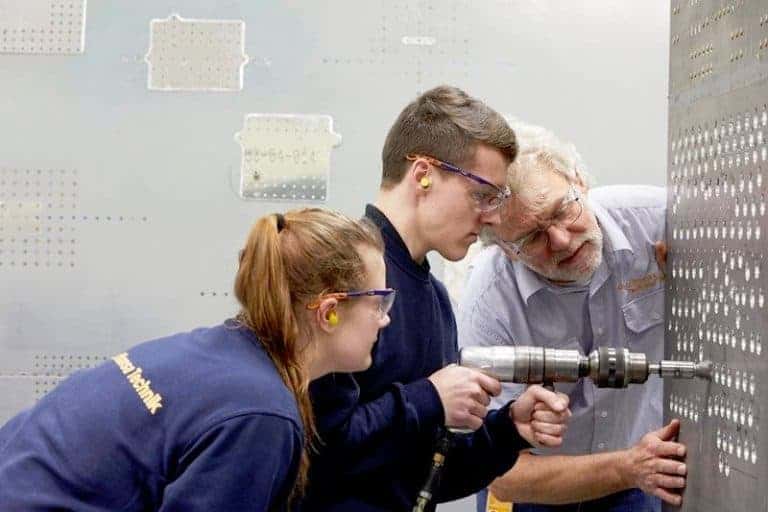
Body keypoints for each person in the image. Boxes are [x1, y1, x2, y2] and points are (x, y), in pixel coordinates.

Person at [0, 208, 393, 511]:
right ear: (328, 312)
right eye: (379, 301)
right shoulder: (262, 415)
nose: (385, 318)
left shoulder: (215, 351)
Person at [301, 86, 572, 512]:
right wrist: (428, 398)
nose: (494, 216)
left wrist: (508, 431)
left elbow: (427, 476)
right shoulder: (338, 274)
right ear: (424, 173)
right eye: (483, 195)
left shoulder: (436, 301)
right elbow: (313, 452)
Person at [456, 121, 686, 512]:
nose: (561, 240)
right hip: (538, 489)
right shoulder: (489, 302)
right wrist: (628, 467)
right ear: (505, 250)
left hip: (637, 476)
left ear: (579, 180)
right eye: (531, 238)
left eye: (563, 209)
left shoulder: (659, 220)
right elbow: (505, 476)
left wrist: (700, 268)